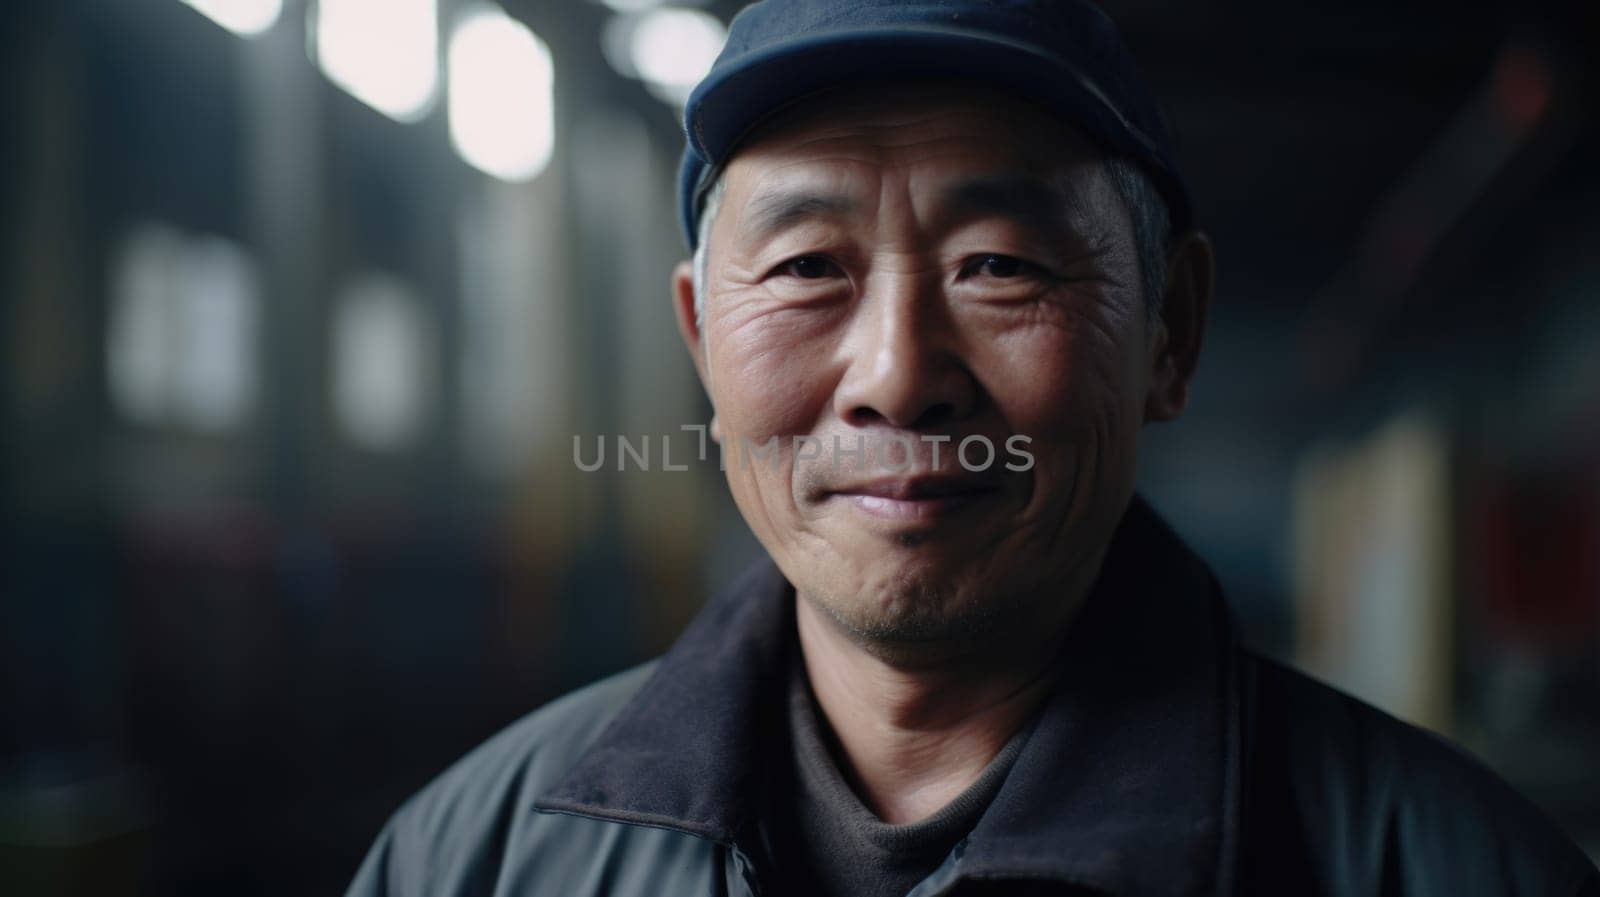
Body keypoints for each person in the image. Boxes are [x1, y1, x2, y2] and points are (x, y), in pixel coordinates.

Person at [345, 1, 1599, 894]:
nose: (895, 376)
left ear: (1169, 334)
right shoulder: (474, 858)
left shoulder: (1441, 865)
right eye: (804, 270)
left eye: (997, 266)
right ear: (699, 343)